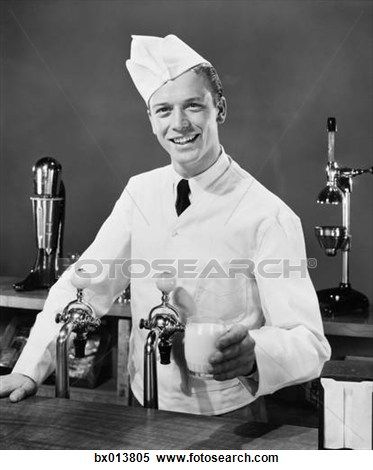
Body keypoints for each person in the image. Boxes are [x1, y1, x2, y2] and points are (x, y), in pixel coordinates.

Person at [0, 34, 330, 416]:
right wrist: (28, 370)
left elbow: (309, 341)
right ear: (151, 119)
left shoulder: (269, 214)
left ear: (219, 108)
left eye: (193, 106)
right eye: (164, 110)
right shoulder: (140, 192)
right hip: (142, 402)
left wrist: (256, 354)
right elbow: (85, 284)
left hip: (228, 414)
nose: (179, 124)